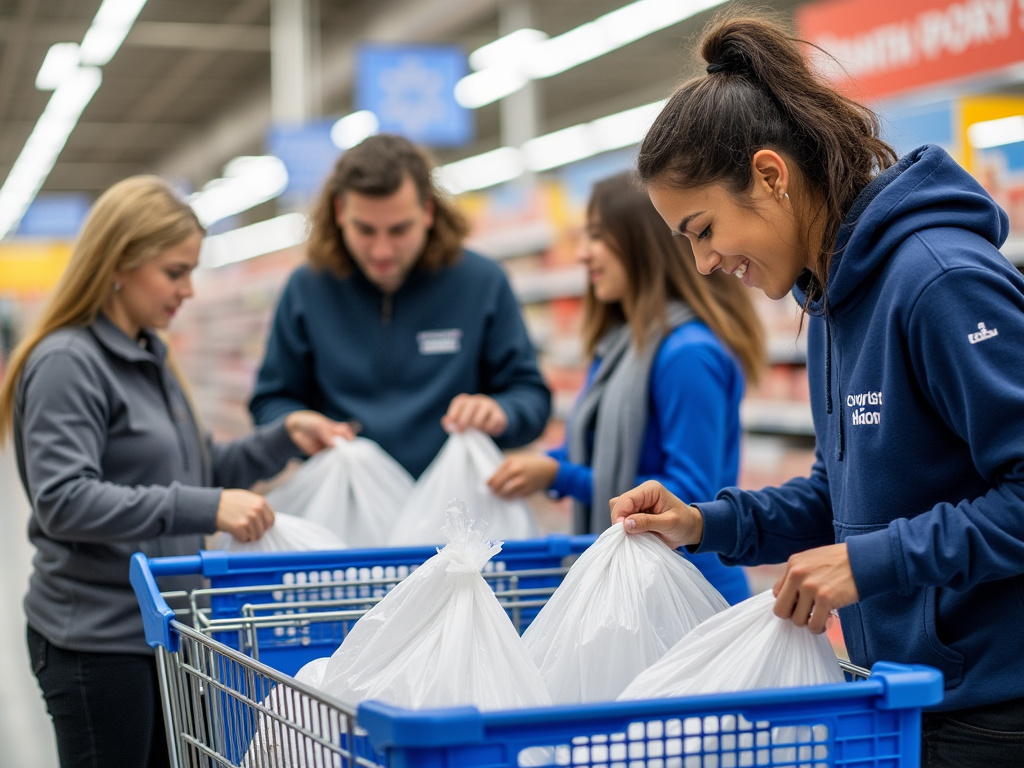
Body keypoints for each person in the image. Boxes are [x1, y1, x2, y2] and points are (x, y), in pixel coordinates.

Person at [609, 13, 1024, 767]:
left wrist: (871, 564)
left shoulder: (939, 281)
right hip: (904, 697)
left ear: (770, 175)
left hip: (993, 714)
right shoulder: (829, 299)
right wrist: (704, 522)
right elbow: (844, 496)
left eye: (704, 229)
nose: (703, 262)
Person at [0, 175, 348, 768]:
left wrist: (282, 439)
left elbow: (199, 466)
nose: (188, 290)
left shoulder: (149, 353)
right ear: (119, 264)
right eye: (175, 271)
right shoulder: (68, 363)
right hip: (98, 643)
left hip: (167, 635)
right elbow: (64, 499)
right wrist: (203, 506)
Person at [488, 171, 765, 604]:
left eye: (597, 236)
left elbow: (688, 495)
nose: (582, 255)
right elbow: (595, 448)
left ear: (642, 242)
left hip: (692, 597)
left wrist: (561, 475)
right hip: (638, 590)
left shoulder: (687, 355)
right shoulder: (618, 348)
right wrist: (544, 465)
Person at [249, 133, 551, 479]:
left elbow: (531, 397)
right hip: (346, 499)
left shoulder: (483, 283)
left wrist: (502, 412)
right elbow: (270, 401)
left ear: (427, 211)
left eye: (399, 230)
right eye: (365, 230)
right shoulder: (306, 289)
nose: (382, 251)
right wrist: (295, 425)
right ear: (339, 213)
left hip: (453, 506)